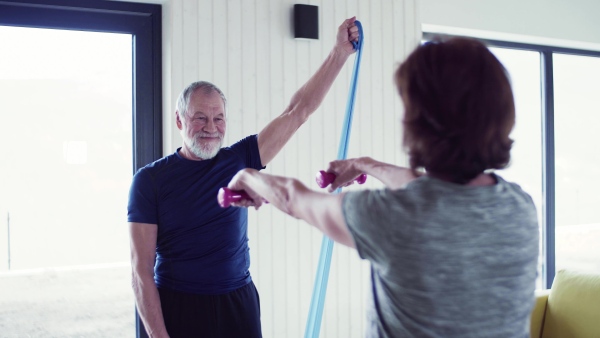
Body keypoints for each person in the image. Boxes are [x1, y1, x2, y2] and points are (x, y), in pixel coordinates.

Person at [226, 37, 540, 337]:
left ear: (420, 123)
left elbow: (294, 199)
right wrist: (364, 164)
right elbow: (434, 191)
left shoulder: (392, 217)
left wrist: (248, 177)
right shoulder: (520, 206)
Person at [127, 17, 360, 338]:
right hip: (179, 305)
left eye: (218, 117)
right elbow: (141, 271)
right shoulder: (149, 180)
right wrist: (158, 335)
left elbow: (298, 112)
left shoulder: (239, 159)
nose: (211, 127)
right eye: (200, 117)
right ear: (179, 121)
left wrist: (338, 53)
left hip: (238, 303)